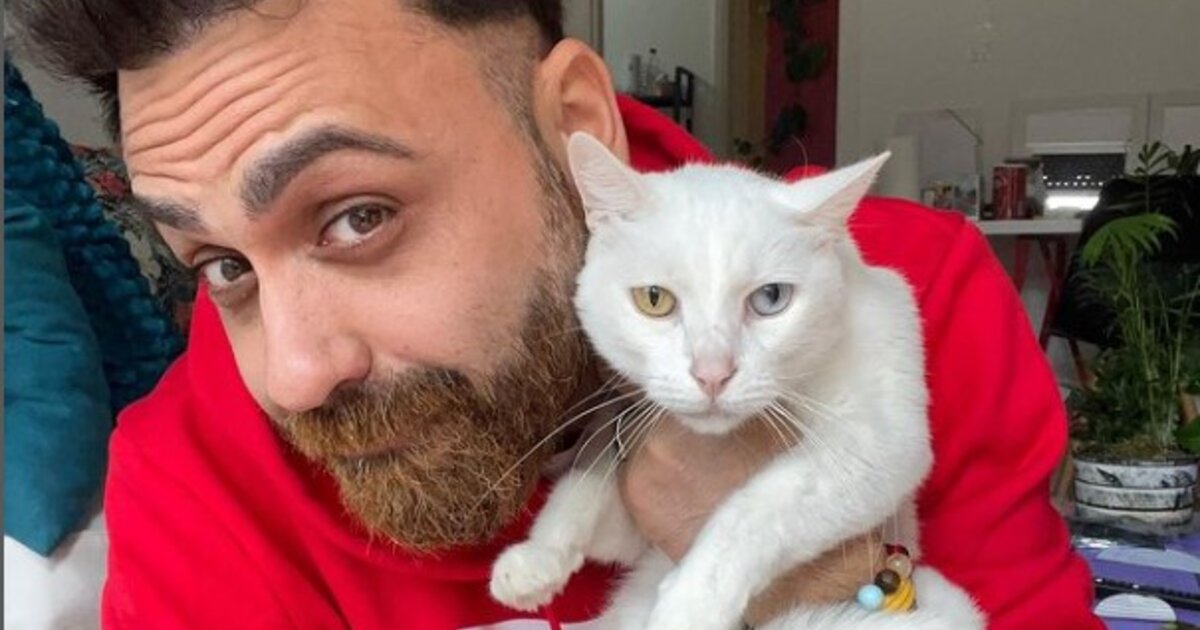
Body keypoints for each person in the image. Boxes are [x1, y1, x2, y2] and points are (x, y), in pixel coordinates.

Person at [11, 0, 1102, 628]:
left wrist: (818, 568)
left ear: (573, 128)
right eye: (221, 267)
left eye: (356, 216)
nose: (292, 373)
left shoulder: (901, 292)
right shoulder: (185, 478)